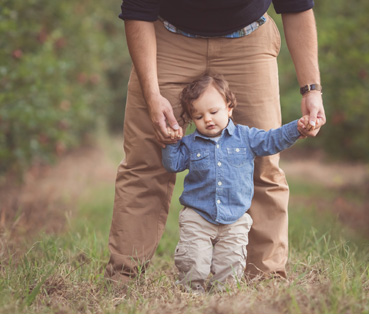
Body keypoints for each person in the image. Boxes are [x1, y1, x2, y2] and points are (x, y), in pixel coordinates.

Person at [107, 0, 325, 283]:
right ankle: (123, 278)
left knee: (263, 165)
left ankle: (266, 278)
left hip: (248, 42)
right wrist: (152, 95)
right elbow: (137, 10)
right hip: (167, 41)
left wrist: (312, 89)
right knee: (144, 163)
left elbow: (296, 6)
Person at [161, 75, 316, 290]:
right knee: (193, 262)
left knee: (230, 268)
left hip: (235, 219)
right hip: (198, 215)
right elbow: (173, 165)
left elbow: (272, 140)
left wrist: (296, 129)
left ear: (229, 108)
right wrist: (171, 143)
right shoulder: (189, 144)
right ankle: (190, 293)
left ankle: (222, 298)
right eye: (198, 116)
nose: (207, 119)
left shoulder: (246, 137)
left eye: (214, 112)